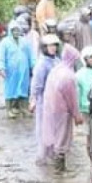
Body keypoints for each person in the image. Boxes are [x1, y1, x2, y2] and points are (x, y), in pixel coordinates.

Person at [41, 47, 84, 173]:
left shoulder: (56, 69)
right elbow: (72, 99)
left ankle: (50, 164)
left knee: (51, 135)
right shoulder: (69, 77)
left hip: (49, 108)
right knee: (62, 138)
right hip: (62, 111)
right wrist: (77, 115)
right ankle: (59, 169)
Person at [30, 34, 61, 162]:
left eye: (55, 45)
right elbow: (36, 84)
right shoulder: (42, 64)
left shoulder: (57, 60)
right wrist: (33, 99)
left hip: (57, 100)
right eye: (50, 46)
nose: (53, 48)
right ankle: (41, 157)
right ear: (44, 47)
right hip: (44, 101)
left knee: (56, 128)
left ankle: (53, 153)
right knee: (43, 128)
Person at [0, 19, 31, 118]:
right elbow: (1, 57)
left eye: (17, 30)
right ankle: (9, 109)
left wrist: (33, 65)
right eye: (13, 30)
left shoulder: (25, 41)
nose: (16, 32)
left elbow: (30, 55)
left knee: (23, 87)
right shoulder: (4, 42)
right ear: (10, 31)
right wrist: (1, 68)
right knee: (10, 89)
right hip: (11, 71)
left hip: (24, 69)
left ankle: (24, 108)